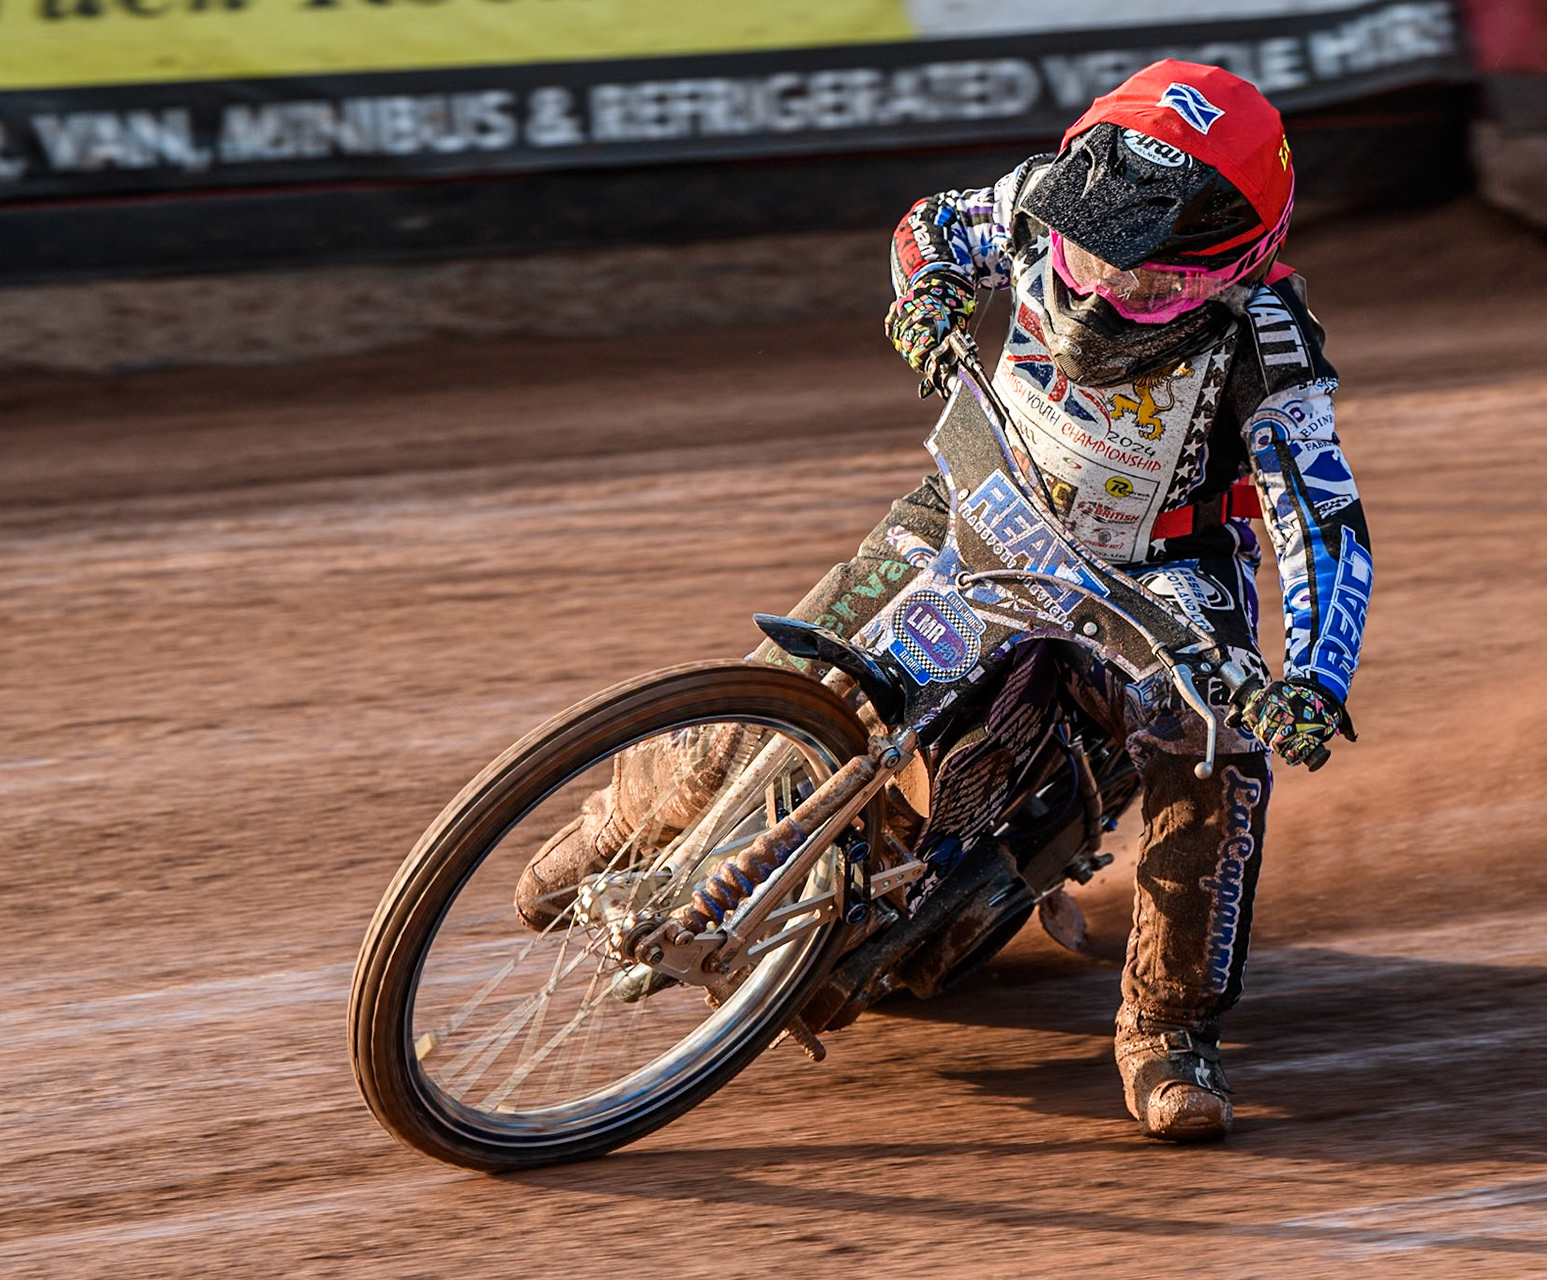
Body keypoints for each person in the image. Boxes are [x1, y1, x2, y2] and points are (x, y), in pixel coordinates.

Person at [518, 60, 1372, 1143]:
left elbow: (1322, 520)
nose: (1106, 289)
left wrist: (1313, 673)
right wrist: (921, 292)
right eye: (1090, 246)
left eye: (1151, 282)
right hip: (982, 493)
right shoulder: (1037, 199)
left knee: (1215, 755)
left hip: (1157, 575)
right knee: (808, 653)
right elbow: (933, 223)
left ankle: (1166, 1022)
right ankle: (622, 820)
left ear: (1234, 267)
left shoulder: (1271, 346)